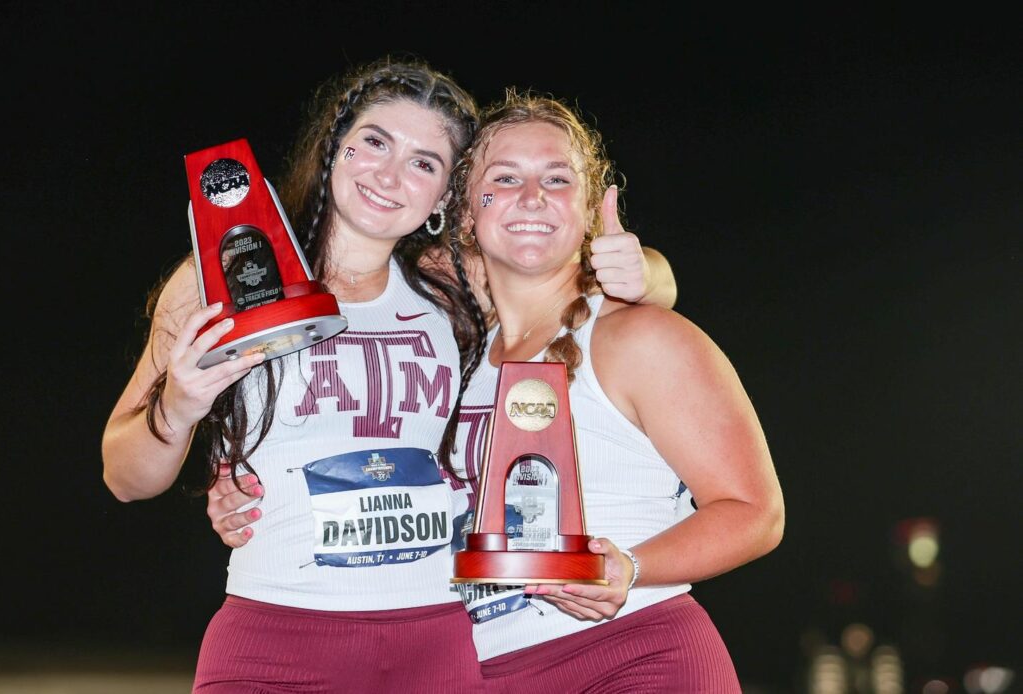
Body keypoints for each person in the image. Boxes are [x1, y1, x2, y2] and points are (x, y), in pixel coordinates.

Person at [103, 57, 675, 693]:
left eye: (424, 163)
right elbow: (124, 477)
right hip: (275, 637)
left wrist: (647, 270)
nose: (390, 174)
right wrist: (177, 410)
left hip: (434, 647)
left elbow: (579, 277)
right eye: (374, 142)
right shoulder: (225, 278)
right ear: (334, 149)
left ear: (444, 197)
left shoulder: (452, 287)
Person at [445, 92, 785, 691]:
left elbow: (756, 514)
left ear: (588, 209)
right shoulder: (458, 354)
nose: (531, 197)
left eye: (557, 179)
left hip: (635, 658)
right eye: (505, 177)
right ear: (468, 212)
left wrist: (629, 567)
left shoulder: (636, 336)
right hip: (488, 672)